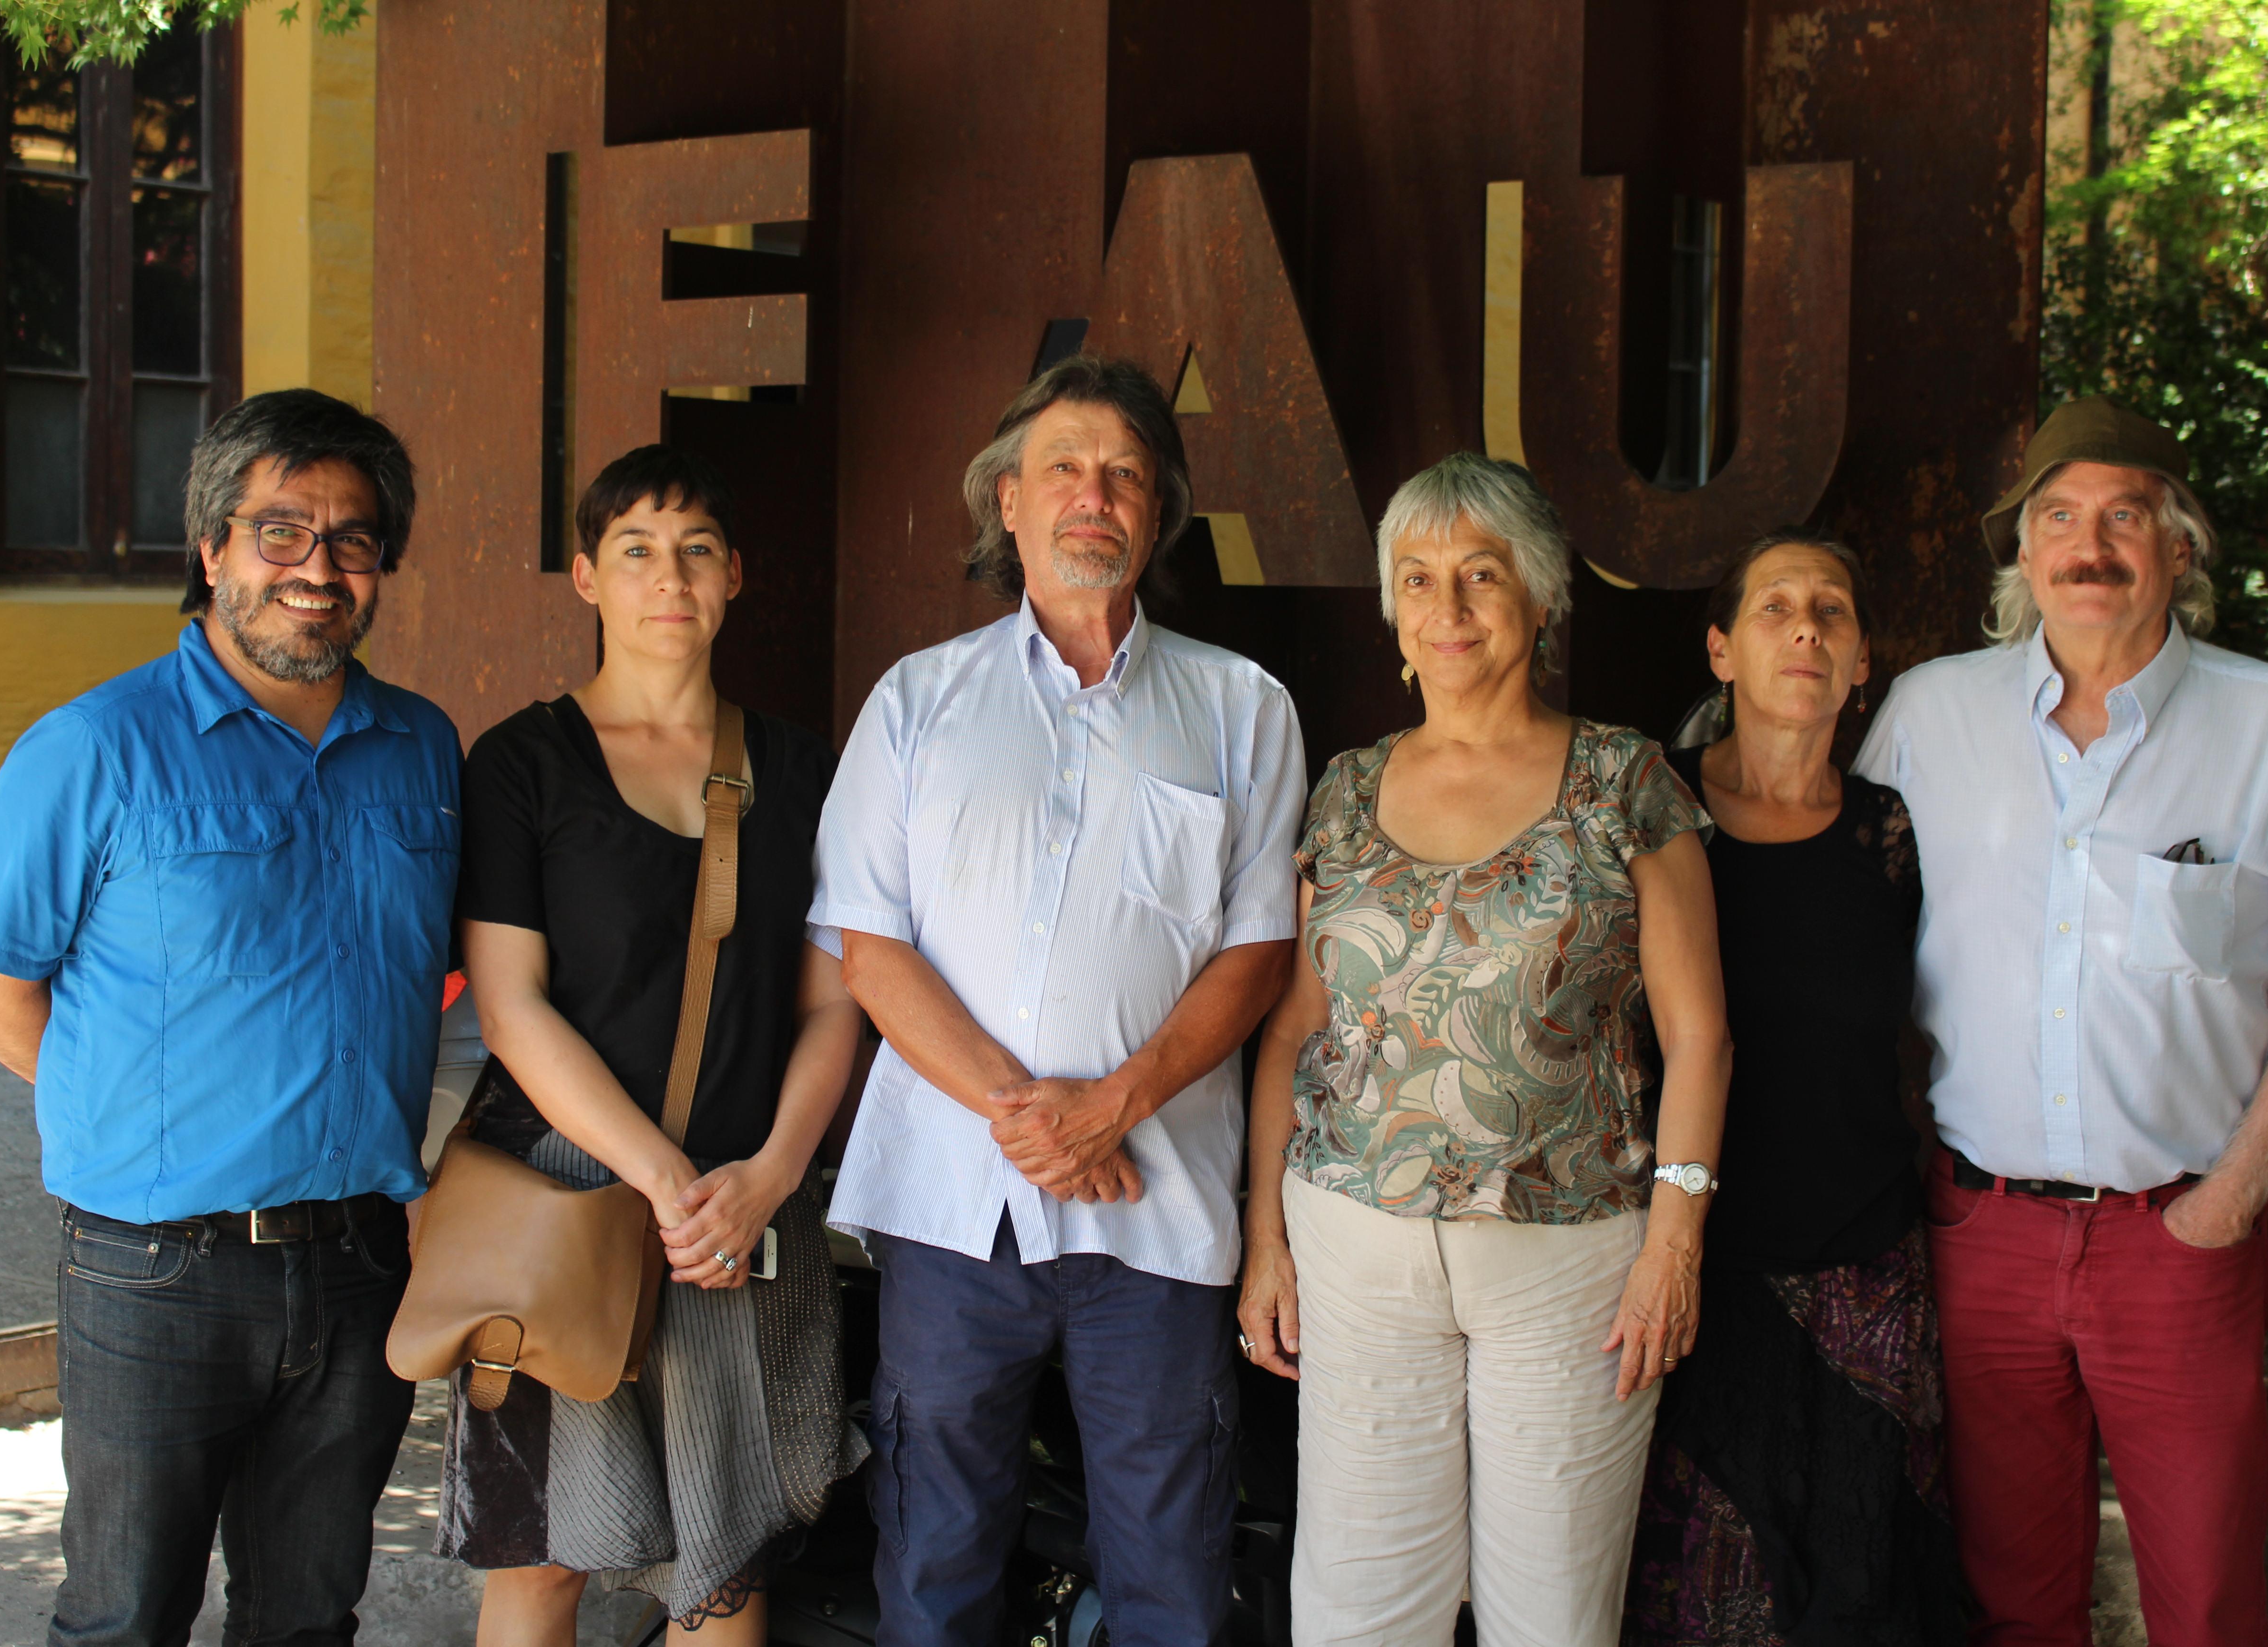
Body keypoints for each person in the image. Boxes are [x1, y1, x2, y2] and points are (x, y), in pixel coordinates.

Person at [1854, 396, 2268, 1646]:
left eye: (2123, 518)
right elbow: (1849, 943)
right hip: (1978, 1234)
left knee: (2207, 1600)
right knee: (2013, 1599)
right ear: (2024, 554)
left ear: (2180, 549)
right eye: (2059, 518)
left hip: (2182, 1241)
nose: (2088, 547)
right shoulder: (1927, 719)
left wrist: (2235, 1198)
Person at [0, 389, 456, 1645]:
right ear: (212, 549)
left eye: (353, 539)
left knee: (309, 1615)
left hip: (360, 1264)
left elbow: (449, 974)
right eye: (281, 532)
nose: (317, 569)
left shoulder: (424, 750)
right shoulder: (93, 751)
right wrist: (122, 1113)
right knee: (124, 1616)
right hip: (154, 1268)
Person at [809, 354, 1305, 1647]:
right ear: (1010, 504)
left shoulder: (1244, 710)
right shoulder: (919, 701)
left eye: (1127, 475)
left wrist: (1112, 1110)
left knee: (1173, 1569)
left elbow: (1257, 957)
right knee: (935, 1558)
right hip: (954, 1218)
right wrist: (1032, 1118)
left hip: (1155, 1218)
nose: (1097, 494)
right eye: (1067, 470)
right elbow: (871, 947)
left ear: (1158, 517)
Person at [1236, 451, 1730, 1647]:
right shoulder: (1346, 791)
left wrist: (1676, 1241)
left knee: (1552, 1616)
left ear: (1542, 599)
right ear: (1393, 613)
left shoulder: (1624, 781)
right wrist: (1264, 1237)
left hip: (1572, 1260)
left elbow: (1701, 1035)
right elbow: (1297, 1024)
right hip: (1354, 1246)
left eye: (1480, 576)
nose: (1447, 609)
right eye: (1418, 579)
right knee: (1358, 1609)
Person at [437, 445, 867, 1642]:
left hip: (743, 1204)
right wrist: (667, 1182)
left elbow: (835, 1002)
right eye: (635, 550)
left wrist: (768, 1178)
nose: (666, 578)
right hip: (564, 1200)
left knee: (722, 1561)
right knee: (540, 1559)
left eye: (695, 552)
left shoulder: (800, 770)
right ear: (586, 578)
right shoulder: (523, 765)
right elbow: (512, 1003)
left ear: (734, 578)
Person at [1622, 531, 1967, 1646]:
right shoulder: (1648, 815)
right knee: (1692, 1595)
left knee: (1860, 1583)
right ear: (1722, 650)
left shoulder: (1893, 837)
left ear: (1864, 662)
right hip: (1686, 1274)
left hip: (1865, 1277)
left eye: (1833, 611)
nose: (1807, 628)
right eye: (1775, 608)